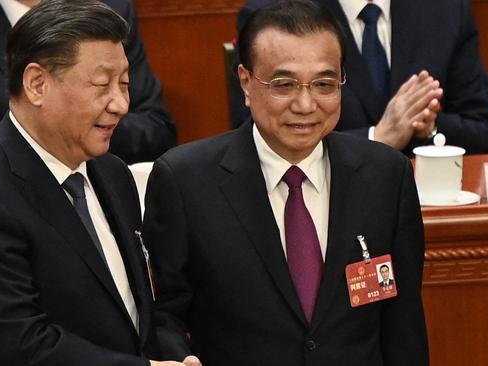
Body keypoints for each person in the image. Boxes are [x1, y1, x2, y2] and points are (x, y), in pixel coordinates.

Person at [143, 1, 428, 365]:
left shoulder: (387, 175)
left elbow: (403, 323)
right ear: (245, 82)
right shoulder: (184, 180)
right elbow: (163, 314)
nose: (306, 104)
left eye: (324, 84)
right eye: (284, 84)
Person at [0, 1, 199, 365]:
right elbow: (19, 346)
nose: (120, 104)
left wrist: (177, 358)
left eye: (125, 84)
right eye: (102, 85)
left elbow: (145, 309)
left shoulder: (112, 174)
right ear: (37, 84)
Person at [0, 0, 176, 185]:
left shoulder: (108, 8)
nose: (118, 104)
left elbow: (156, 129)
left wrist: (84, 129)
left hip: (106, 194)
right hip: (2, 202)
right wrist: (50, 143)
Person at [230, 0, 488, 155]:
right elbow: (256, 139)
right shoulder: (273, 14)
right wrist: (379, 137)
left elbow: (487, 138)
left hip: (428, 201)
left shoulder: (444, 10)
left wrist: (425, 125)